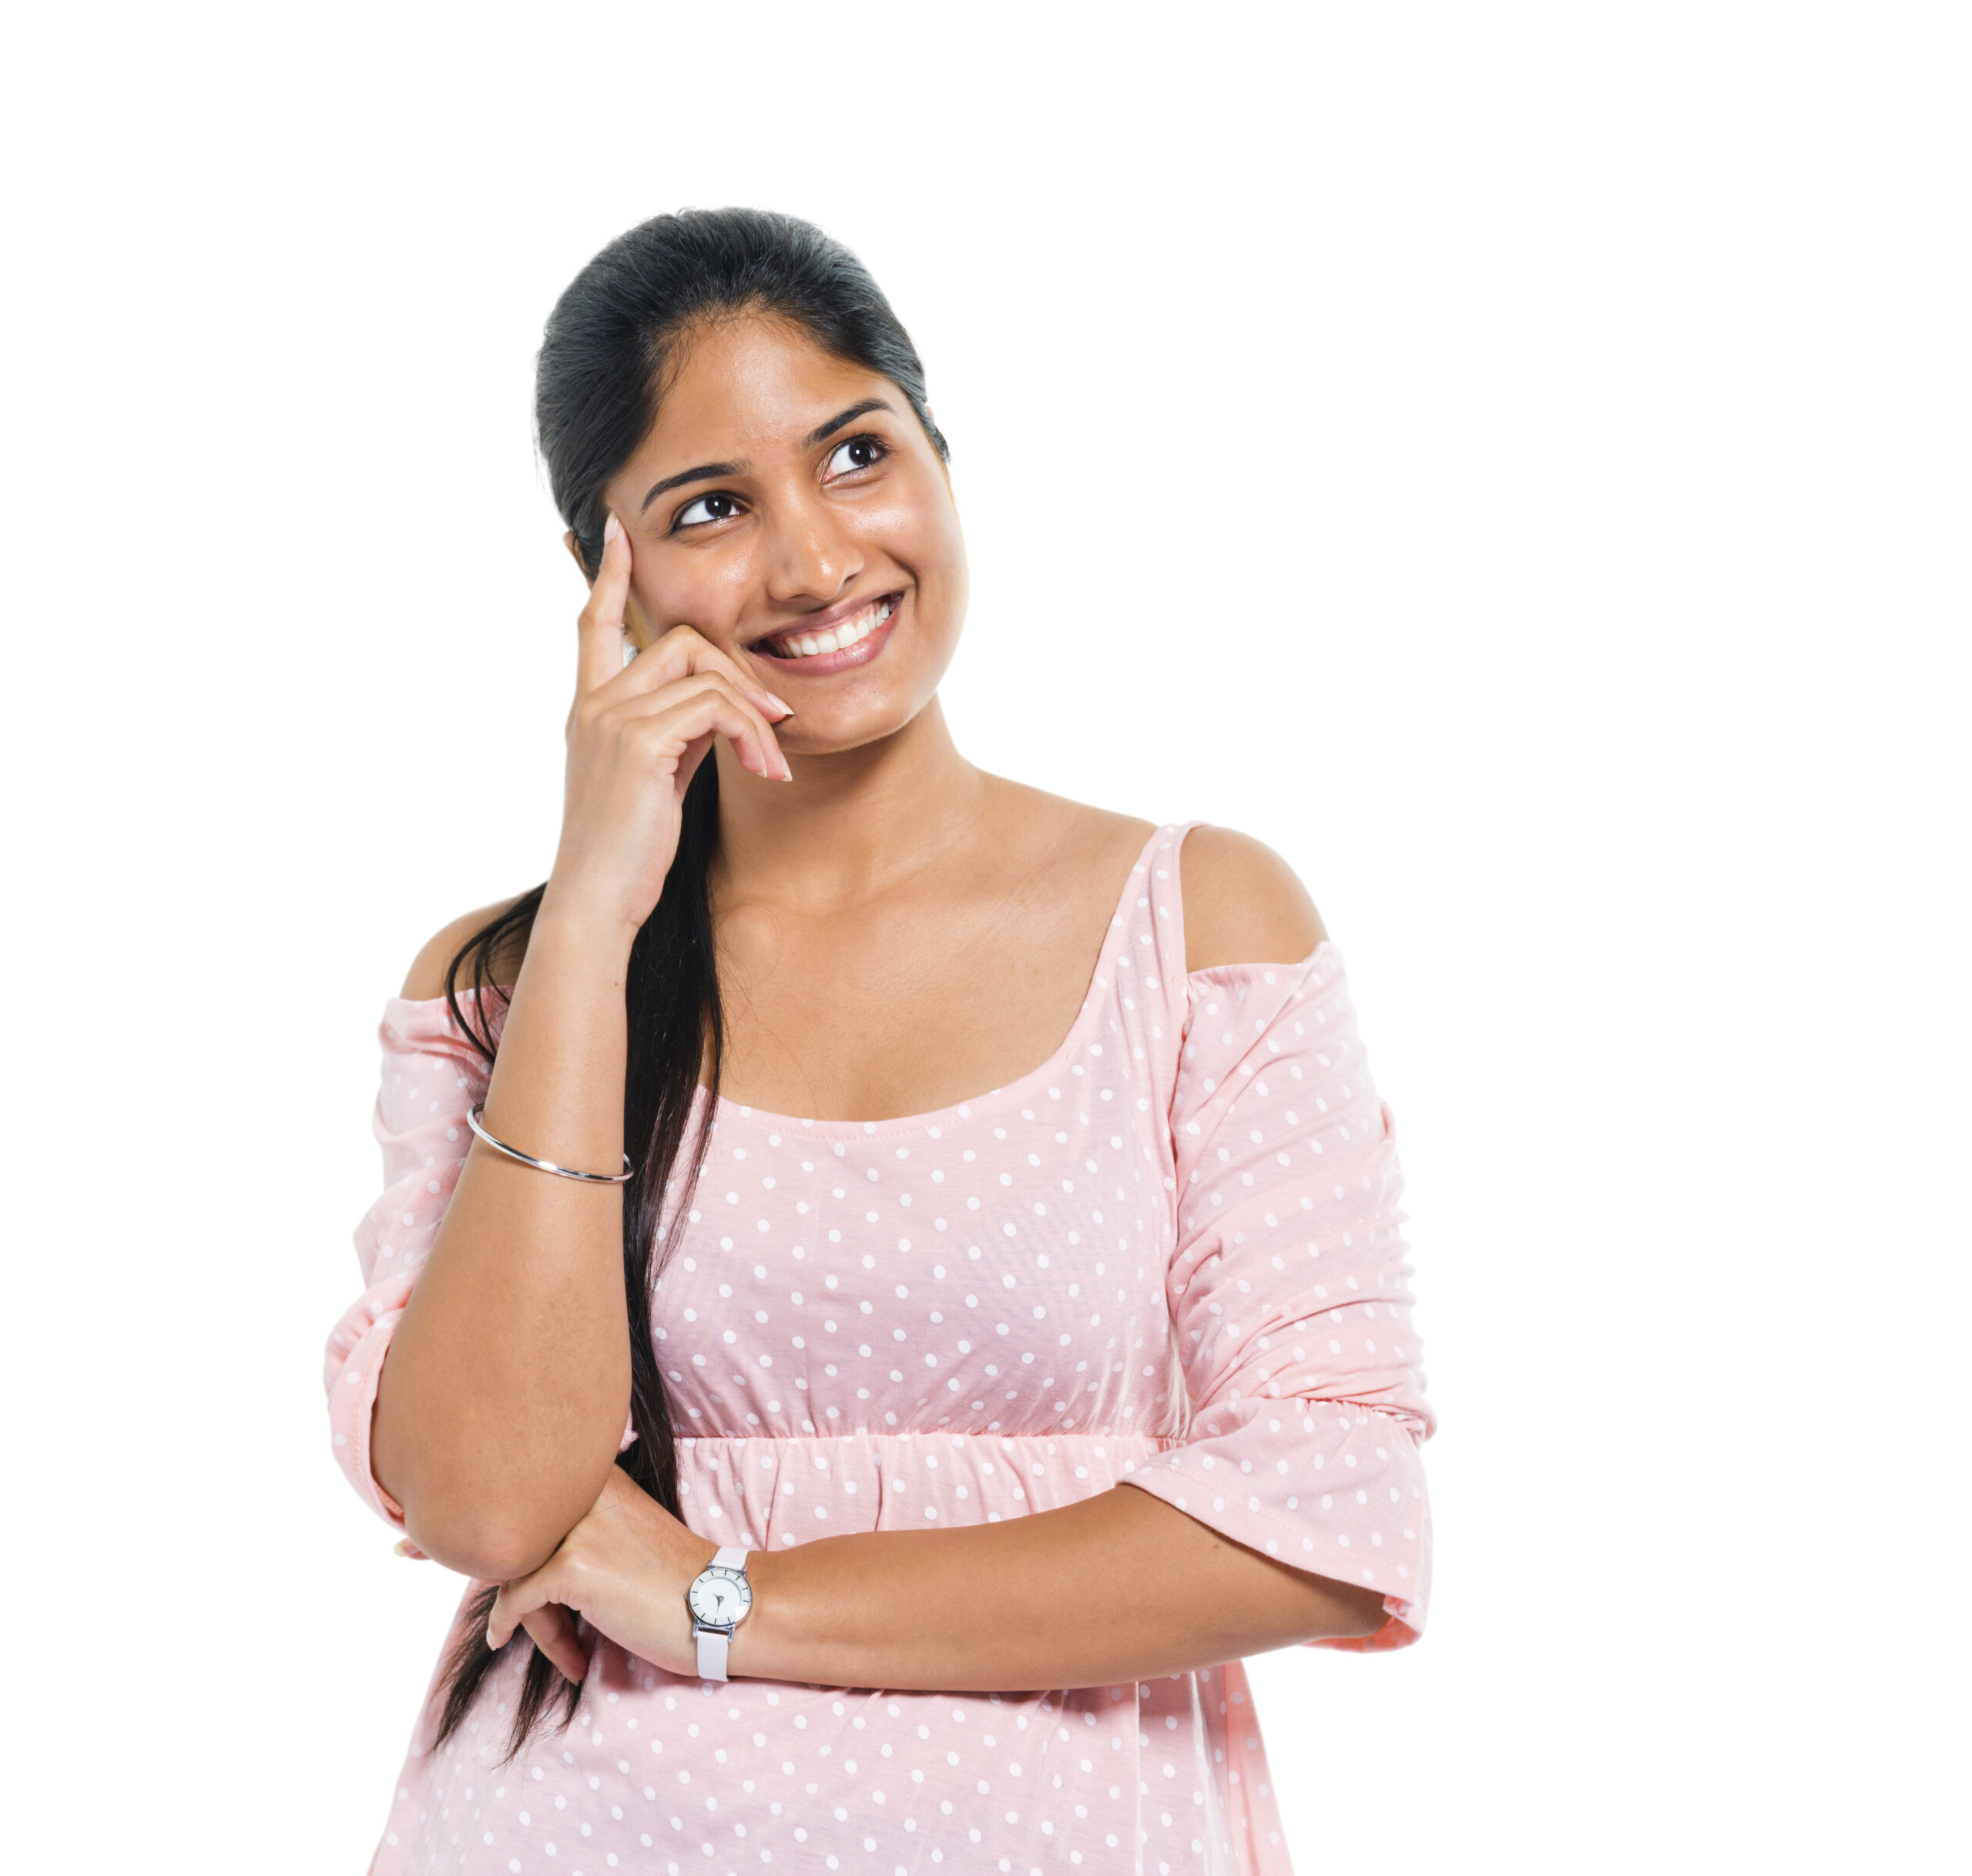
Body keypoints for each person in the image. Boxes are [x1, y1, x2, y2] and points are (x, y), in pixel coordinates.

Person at [324, 206, 1438, 1876]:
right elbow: (482, 1501)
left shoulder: (1195, 925)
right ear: (601, 577)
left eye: (855, 454)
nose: (815, 562)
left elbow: (1328, 1519)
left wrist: (717, 1604)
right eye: (709, 507)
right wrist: (587, 931)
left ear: (938, 453)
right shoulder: (505, 984)